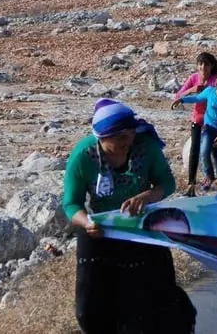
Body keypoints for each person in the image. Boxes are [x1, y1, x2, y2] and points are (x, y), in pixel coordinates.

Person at [63, 99, 196, 333]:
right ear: (102, 138)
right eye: (120, 138)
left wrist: (145, 196)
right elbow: (71, 204)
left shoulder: (146, 147)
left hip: (142, 226)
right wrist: (87, 222)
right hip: (100, 231)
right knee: (91, 308)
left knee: (152, 300)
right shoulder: (82, 156)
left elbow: (167, 182)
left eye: (131, 134)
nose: (128, 142)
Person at [175, 69, 217, 190]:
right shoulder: (210, 92)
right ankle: (209, 176)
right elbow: (197, 98)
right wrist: (182, 99)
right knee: (204, 152)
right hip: (209, 128)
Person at [171, 52, 217, 196]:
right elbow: (178, 96)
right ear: (197, 66)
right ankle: (191, 184)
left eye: (206, 64)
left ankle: (216, 180)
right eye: (201, 64)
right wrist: (192, 90)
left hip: (213, 121)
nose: (203, 67)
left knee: (212, 150)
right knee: (194, 151)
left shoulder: (216, 80)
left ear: (211, 66)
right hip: (197, 120)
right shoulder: (193, 78)